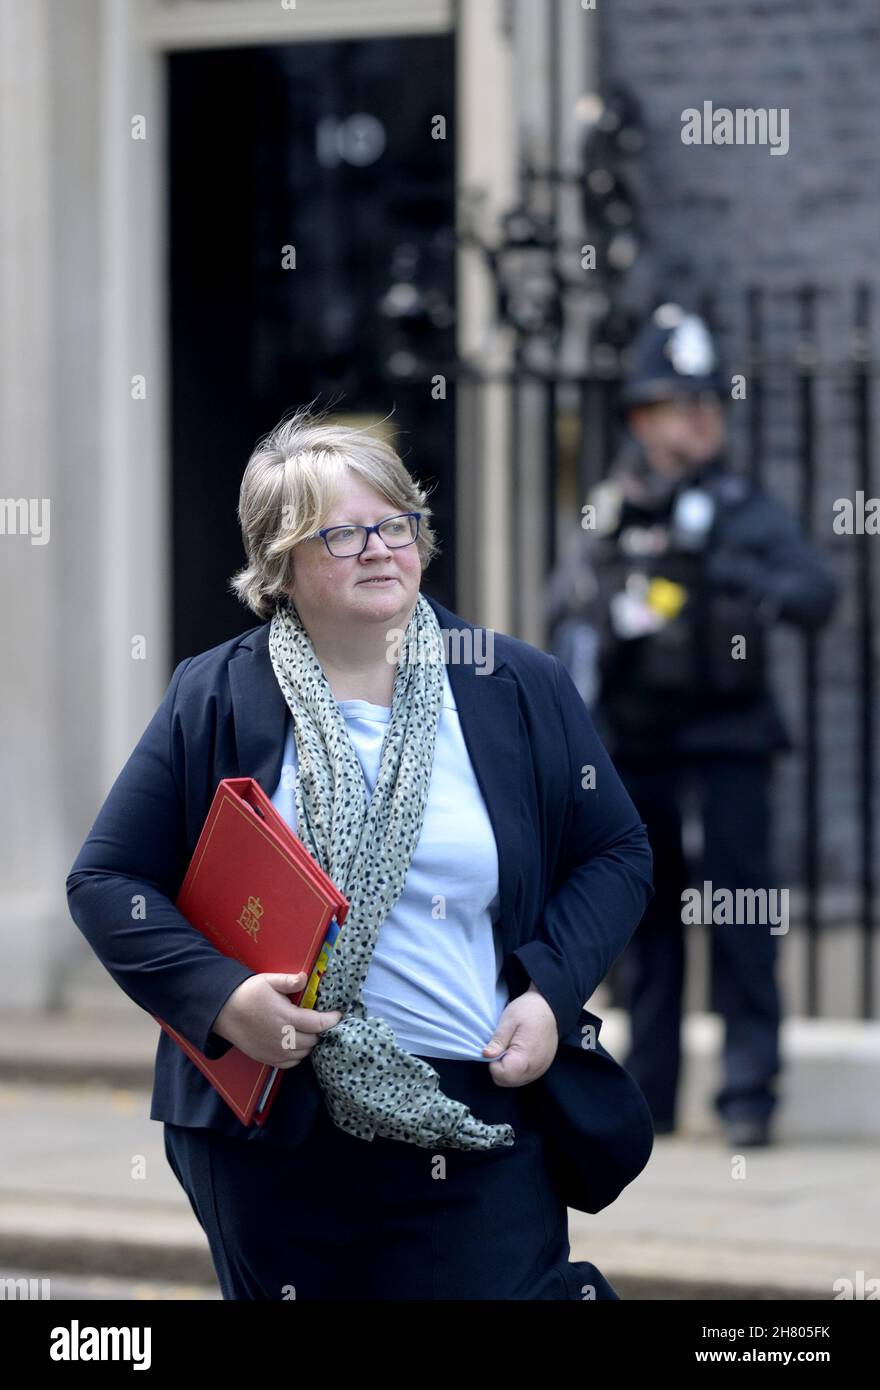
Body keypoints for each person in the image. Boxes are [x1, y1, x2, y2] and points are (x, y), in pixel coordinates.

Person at [66, 402, 656, 1301]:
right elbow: (108, 881)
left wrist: (548, 991)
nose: (381, 548)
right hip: (281, 1136)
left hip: (475, 1113)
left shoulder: (513, 685)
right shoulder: (217, 695)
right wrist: (222, 1001)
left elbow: (614, 851)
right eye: (342, 535)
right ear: (281, 563)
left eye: (397, 523)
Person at [545, 304, 838, 1149]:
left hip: (731, 749)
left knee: (744, 923)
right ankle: (653, 1098)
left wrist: (723, 571)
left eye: (712, 401)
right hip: (640, 752)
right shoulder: (609, 507)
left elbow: (816, 595)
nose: (705, 417)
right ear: (642, 417)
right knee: (646, 928)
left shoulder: (744, 507)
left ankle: (749, 1099)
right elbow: (558, 613)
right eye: (685, 403)